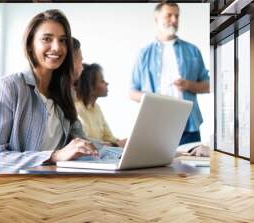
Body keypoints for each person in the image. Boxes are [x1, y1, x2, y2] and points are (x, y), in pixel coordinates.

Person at [0, 9, 98, 173]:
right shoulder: (10, 86)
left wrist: (114, 151)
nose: (57, 47)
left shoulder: (65, 92)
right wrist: (55, 156)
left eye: (62, 40)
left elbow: (80, 141)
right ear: (30, 45)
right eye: (47, 39)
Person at [129, 2, 210, 154]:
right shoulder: (144, 53)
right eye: (169, 15)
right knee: (154, 174)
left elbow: (209, 85)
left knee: (190, 174)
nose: (174, 20)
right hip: (154, 127)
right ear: (156, 18)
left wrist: (189, 85)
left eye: (177, 16)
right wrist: (154, 99)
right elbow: (132, 92)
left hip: (188, 127)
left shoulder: (193, 51)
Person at [75, 63, 127, 147]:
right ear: (90, 86)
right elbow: (85, 142)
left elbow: (108, 137)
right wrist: (116, 144)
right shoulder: (76, 108)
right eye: (102, 81)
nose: (107, 83)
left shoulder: (96, 107)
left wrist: (125, 142)